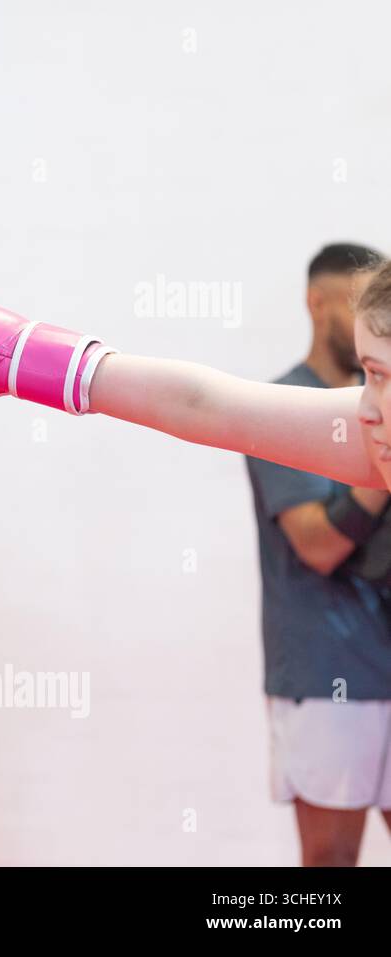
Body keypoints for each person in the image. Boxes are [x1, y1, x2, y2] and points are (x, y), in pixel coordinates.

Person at [0, 244, 391, 865]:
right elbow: (210, 407)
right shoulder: (366, 433)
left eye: (381, 375)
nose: (363, 404)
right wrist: (18, 357)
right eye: (365, 373)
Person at [243, 244, 391, 866]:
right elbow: (320, 545)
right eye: (356, 307)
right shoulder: (283, 410)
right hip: (327, 671)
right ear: (317, 302)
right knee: (330, 866)